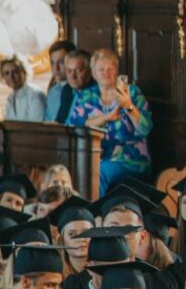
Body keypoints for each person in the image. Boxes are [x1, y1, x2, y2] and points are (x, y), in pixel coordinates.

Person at [68, 48, 152, 193]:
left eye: (110, 69)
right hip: (94, 157)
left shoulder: (131, 93)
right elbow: (74, 128)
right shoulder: (86, 96)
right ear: (93, 73)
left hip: (129, 159)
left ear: (117, 71)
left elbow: (145, 128)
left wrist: (128, 106)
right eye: (101, 70)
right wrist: (106, 118)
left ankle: (92, 214)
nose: (106, 73)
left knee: (97, 173)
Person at [44, 47, 91, 125]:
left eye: (78, 70)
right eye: (69, 71)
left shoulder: (96, 93)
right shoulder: (66, 90)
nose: (73, 76)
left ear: (90, 71)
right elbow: (59, 122)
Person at [1, 56, 46, 122]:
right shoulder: (10, 97)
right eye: (7, 73)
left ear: (24, 72)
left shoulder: (35, 95)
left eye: (15, 72)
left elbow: (37, 127)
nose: (11, 77)